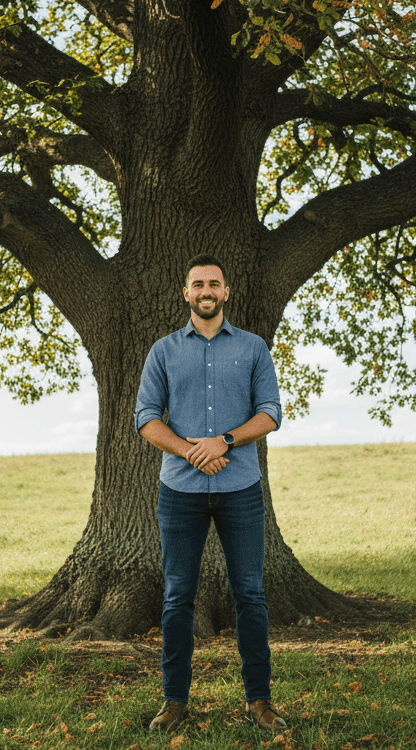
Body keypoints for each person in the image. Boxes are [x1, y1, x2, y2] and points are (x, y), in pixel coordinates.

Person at [134, 254, 288, 733]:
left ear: (226, 292)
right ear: (186, 293)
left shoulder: (254, 348)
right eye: (198, 283)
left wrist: (221, 441)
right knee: (178, 596)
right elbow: (145, 418)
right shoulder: (162, 351)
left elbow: (271, 413)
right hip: (179, 492)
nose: (206, 290)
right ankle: (174, 701)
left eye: (214, 284)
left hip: (240, 488)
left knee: (251, 595)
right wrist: (189, 451)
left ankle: (258, 702)